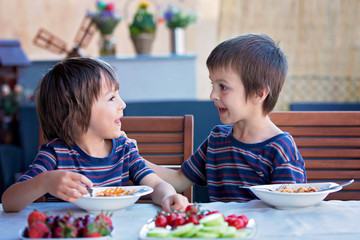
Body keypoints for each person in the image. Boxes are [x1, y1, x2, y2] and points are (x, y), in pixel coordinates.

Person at [1, 57, 189, 212]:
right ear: (75, 113)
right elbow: (9, 203)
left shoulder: (124, 150)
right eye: (111, 98)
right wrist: (43, 183)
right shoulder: (55, 154)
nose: (122, 104)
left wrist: (168, 196)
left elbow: (155, 185)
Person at [146, 34, 307, 202]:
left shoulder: (280, 150)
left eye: (223, 87)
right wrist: (132, 157)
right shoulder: (217, 140)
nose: (213, 95)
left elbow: (290, 212)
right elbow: (178, 180)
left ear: (259, 93)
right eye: (212, 85)